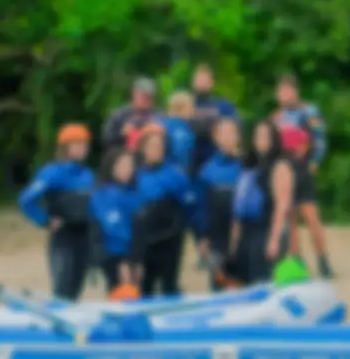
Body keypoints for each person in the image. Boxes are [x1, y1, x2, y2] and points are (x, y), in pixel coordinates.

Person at [17, 124, 96, 301]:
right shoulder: (51, 173)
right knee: (62, 289)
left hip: (84, 236)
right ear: (65, 147)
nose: (83, 148)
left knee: (76, 289)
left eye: (85, 144)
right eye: (77, 144)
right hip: (63, 237)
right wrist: (45, 221)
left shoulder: (88, 174)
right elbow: (26, 200)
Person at [127, 125, 205, 299]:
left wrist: (200, 236)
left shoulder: (176, 175)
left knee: (169, 284)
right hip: (144, 240)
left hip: (170, 238)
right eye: (152, 145)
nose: (157, 149)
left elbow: (191, 208)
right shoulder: (134, 175)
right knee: (144, 285)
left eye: (160, 145)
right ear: (143, 148)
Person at [231, 120, 297, 286]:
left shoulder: (280, 165)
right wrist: (235, 238)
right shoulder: (250, 166)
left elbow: (282, 205)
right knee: (246, 280)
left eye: (266, 136)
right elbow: (239, 205)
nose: (261, 140)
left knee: (263, 280)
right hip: (248, 231)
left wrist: (274, 239)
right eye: (258, 136)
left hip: (266, 230)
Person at [195, 116, 247, 289]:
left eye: (231, 132)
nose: (227, 137)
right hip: (216, 239)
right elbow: (201, 208)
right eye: (223, 133)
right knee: (218, 284)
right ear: (215, 137)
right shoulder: (207, 170)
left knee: (243, 285)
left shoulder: (248, 166)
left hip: (244, 236)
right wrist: (202, 237)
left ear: (238, 136)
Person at [278, 123, 333, 279]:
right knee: (295, 224)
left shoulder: (296, 134)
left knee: (310, 222)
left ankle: (321, 260)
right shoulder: (295, 136)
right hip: (293, 181)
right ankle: (304, 261)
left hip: (300, 181)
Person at [88, 149, 144, 292]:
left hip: (134, 253)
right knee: (121, 294)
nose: (127, 169)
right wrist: (125, 260)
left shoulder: (132, 193)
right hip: (115, 254)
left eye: (130, 165)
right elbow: (113, 227)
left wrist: (137, 257)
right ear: (111, 167)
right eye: (122, 165)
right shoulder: (103, 194)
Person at [188, 63, 241, 173]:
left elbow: (236, 126)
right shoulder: (186, 106)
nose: (202, 82)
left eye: (205, 79)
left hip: (218, 157)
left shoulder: (223, 106)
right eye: (199, 79)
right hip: (192, 157)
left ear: (211, 82)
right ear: (193, 82)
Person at [102, 77, 160, 153]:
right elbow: (105, 138)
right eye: (142, 96)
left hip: (148, 158)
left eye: (148, 96)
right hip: (122, 156)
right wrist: (122, 133)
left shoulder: (158, 117)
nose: (145, 99)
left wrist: (155, 133)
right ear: (134, 95)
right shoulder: (119, 115)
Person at [162, 90, 199, 177]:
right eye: (191, 106)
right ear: (181, 108)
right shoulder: (181, 131)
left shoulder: (164, 124)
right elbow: (182, 156)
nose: (194, 110)